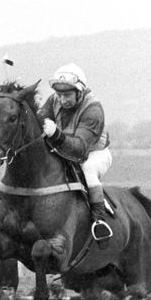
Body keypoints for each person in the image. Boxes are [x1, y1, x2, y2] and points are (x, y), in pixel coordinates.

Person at [38, 63, 113, 241]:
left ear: (80, 91)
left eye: (68, 95)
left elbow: (79, 149)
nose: (63, 100)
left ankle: (98, 220)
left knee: (87, 168)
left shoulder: (93, 109)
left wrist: (55, 133)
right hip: (64, 149)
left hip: (93, 153)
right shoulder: (54, 100)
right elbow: (38, 119)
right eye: (60, 94)